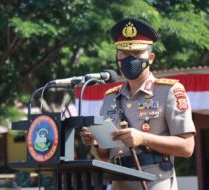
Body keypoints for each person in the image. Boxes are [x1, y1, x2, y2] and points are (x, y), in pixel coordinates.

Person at [80, 18, 196, 190]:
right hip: (118, 181)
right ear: (117, 57)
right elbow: (105, 156)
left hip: (154, 181)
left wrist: (143, 138)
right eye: (124, 54)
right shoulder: (110, 98)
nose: (130, 59)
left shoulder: (169, 91)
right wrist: (96, 142)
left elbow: (187, 147)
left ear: (151, 57)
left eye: (137, 53)